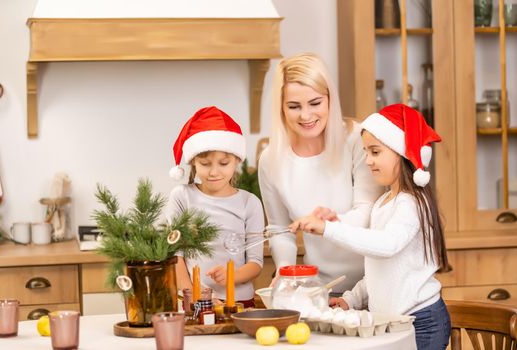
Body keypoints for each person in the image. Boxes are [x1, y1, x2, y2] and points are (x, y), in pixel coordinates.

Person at [290, 104, 451, 350]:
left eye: (375, 152)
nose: (368, 161)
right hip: (394, 322)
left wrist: (328, 229)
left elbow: (387, 246)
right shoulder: (383, 203)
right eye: (366, 152)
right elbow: (378, 270)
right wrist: (351, 299)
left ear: (401, 152)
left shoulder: (411, 204)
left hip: (422, 321)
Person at [257, 53, 382, 294]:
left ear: (330, 100)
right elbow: (279, 229)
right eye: (294, 106)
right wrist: (285, 271)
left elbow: (368, 213)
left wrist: (328, 223)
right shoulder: (271, 160)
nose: (306, 116)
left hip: (373, 284)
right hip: (322, 289)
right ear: (281, 108)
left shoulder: (357, 140)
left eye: (315, 103)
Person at [166, 106, 264, 308]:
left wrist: (232, 276)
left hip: (239, 302)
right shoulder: (182, 197)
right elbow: (175, 256)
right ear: (193, 162)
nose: (214, 172)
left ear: (237, 160)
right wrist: (192, 295)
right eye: (205, 163)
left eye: (223, 163)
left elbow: (256, 263)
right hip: (195, 301)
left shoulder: (249, 202)